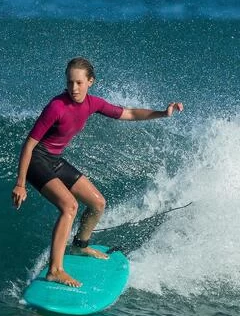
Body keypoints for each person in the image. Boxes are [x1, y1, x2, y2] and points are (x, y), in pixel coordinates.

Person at [12, 57, 184, 288]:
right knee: (69, 206)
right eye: (70, 82)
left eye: (79, 83)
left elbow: (129, 113)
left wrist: (163, 113)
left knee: (98, 203)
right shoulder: (56, 107)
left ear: (90, 82)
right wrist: (20, 183)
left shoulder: (93, 103)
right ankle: (55, 270)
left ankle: (79, 246)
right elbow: (29, 144)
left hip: (54, 160)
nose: (74, 88)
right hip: (36, 161)